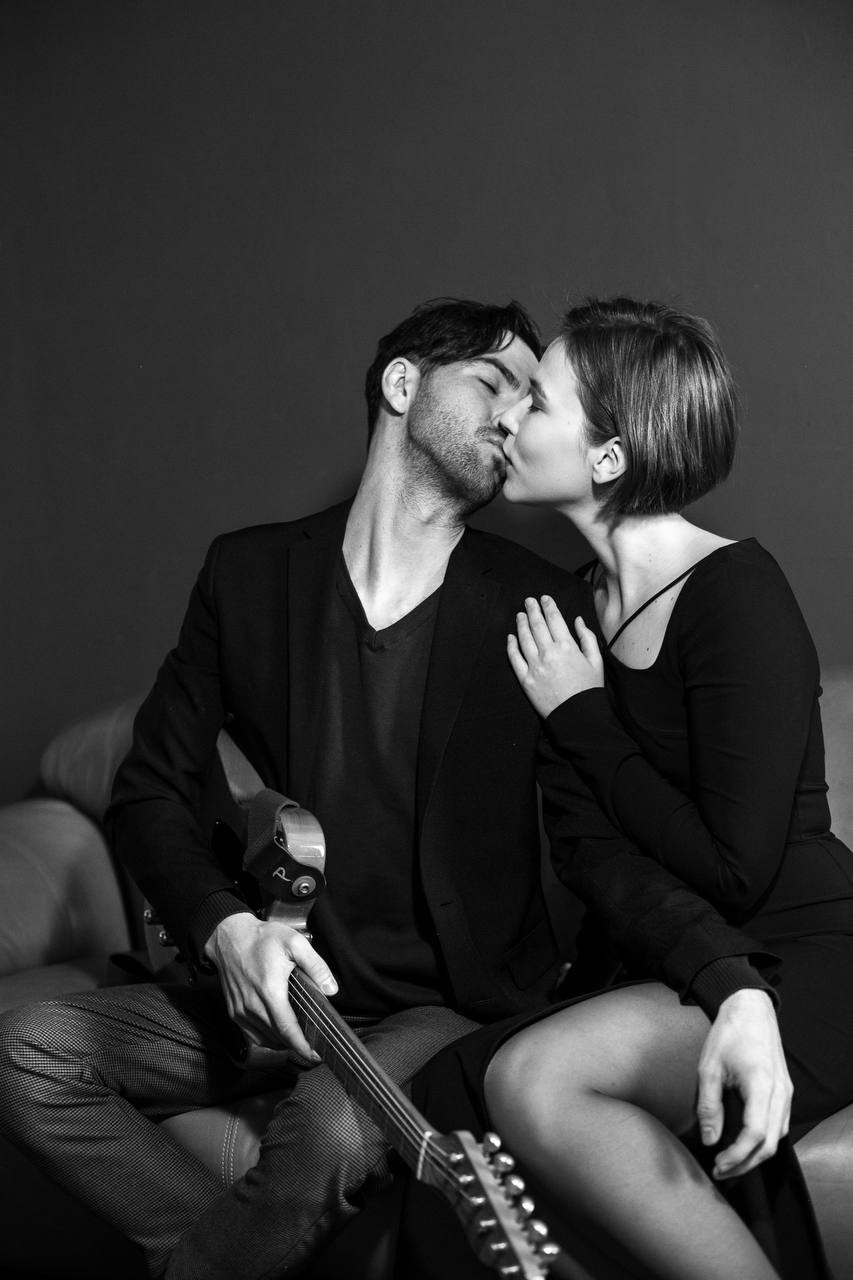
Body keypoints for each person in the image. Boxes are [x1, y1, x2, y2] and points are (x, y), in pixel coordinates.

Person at [0, 298, 794, 1280]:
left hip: (435, 1010)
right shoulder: (248, 574)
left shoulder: (536, 605)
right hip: (267, 987)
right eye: (493, 382)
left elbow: (598, 843)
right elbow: (148, 791)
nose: (513, 414)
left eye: (532, 396)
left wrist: (727, 978)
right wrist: (227, 930)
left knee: (331, 1135)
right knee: (26, 1049)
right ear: (402, 383)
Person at [408, 298, 853, 1280]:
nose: (505, 416)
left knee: (538, 1076)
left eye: (535, 401)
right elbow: (591, 853)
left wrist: (581, 714)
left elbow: (733, 869)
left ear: (607, 456)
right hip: (691, 957)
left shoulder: (735, 593)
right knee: (447, 1093)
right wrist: (716, 976)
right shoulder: (567, 612)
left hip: (815, 956)